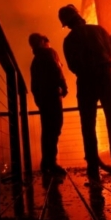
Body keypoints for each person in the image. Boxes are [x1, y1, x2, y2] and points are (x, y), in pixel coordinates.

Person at [57, 4, 111, 178]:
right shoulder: (98, 30)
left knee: (88, 124)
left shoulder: (69, 40)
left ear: (67, 24)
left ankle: (92, 164)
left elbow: (72, 66)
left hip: (85, 81)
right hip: (105, 77)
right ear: (79, 16)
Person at [28, 32, 68, 175]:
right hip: (53, 96)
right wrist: (64, 85)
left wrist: (38, 100)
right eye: (47, 41)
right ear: (43, 41)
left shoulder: (35, 61)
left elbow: (34, 85)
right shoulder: (49, 52)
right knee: (55, 127)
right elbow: (57, 69)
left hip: (43, 99)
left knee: (47, 130)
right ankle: (51, 163)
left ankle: (46, 163)